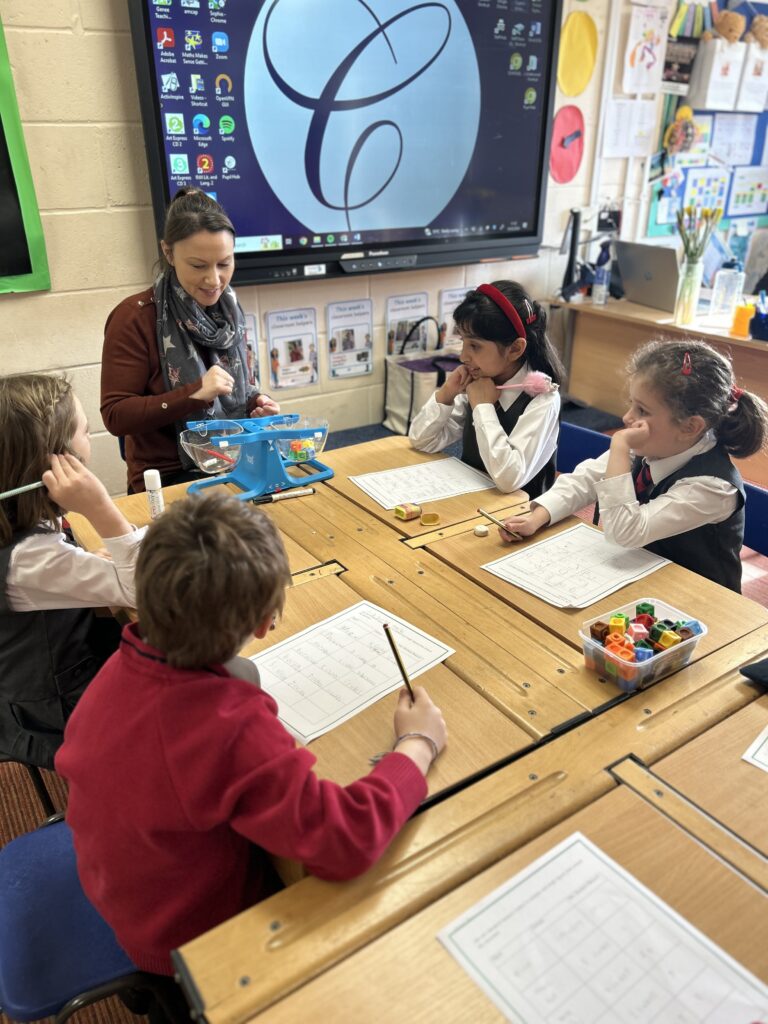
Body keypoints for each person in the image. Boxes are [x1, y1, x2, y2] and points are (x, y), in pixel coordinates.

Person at [56, 491, 447, 981]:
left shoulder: (120, 664)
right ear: (265, 624)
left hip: (124, 883)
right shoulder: (227, 728)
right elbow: (344, 838)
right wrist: (417, 746)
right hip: (190, 942)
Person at [499, 340, 768, 593]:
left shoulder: (713, 487)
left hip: (698, 601)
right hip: (644, 575)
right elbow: (587, 478)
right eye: (632, 404)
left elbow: (625, 532)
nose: (628, 418)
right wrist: (540, 515)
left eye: (642, 410)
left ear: (690, 427)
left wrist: (619, 445)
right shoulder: (655, 446)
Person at [0, 374, 144, 767]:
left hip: (43, 690)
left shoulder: (20, 529)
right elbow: (146, 590)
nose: (90, 435)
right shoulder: (29, 560)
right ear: (57, 461)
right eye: (83, 430)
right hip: (57, 719)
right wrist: (101, 509)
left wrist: (80, 563)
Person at [100, 187, 279, 493]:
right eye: (198, 266)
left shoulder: (230, 310)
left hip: (235, 462)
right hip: (169, 478)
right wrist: (195, 393)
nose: (214, 280)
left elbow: (231, 392)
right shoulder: (134, 317)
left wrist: (255, 404)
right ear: (168, 253)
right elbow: (116, 416)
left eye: (224, 264)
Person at [408, 281, 563, 496]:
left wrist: (483, 407)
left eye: (475, 346)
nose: (463, 356)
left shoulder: (543, 398)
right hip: (472, 499)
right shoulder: (479, 380)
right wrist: (446, 394)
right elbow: (422, 441)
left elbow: (509, 479)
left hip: (522, 516)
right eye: (463, 342)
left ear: (515, 349)